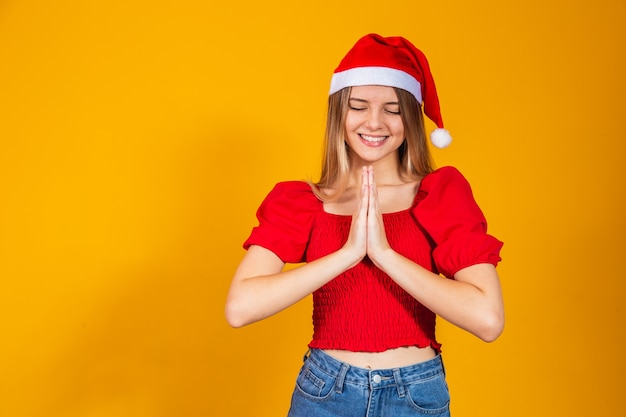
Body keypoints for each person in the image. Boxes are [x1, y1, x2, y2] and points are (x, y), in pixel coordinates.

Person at [225, 33, 504, 417]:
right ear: (339, 113)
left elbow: (488, 320)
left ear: (410, 119)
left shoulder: (439, 193)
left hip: (416, 393)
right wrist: (349, 253)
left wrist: (385, 254)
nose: (374, 122)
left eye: (392, 109)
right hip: (324, 390)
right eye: (358, 106)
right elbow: (241, 308)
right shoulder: (304, 201)